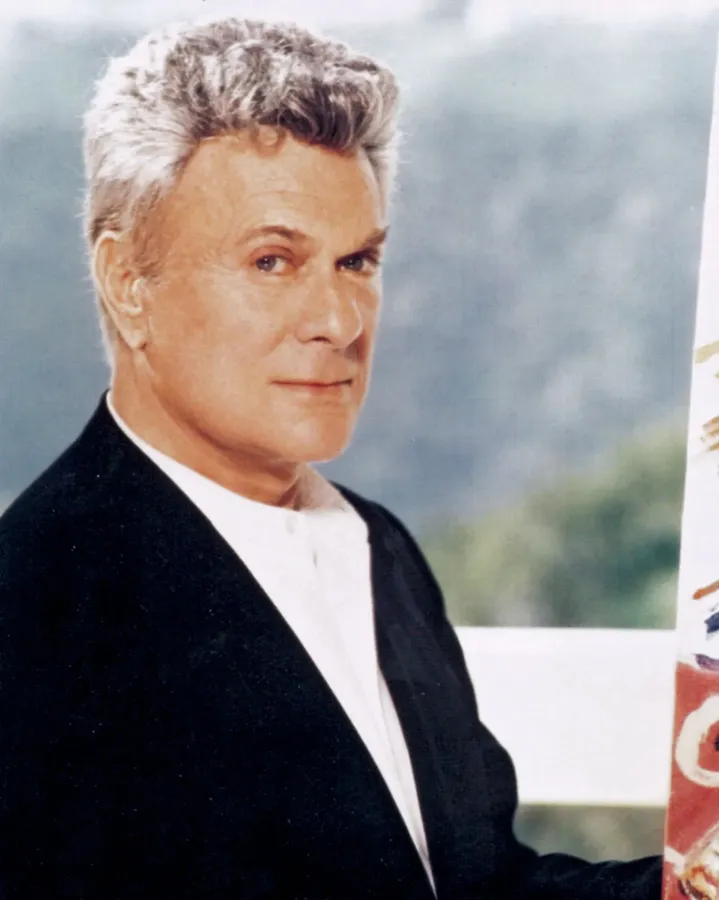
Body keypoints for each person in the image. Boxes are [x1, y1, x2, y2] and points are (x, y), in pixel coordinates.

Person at [0, 16, 662, 899]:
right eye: (272, 262)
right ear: (128, 284)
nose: (339, 321)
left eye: (356, 262)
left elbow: (475, 889)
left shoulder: (377, 546)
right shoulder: (39, 607)